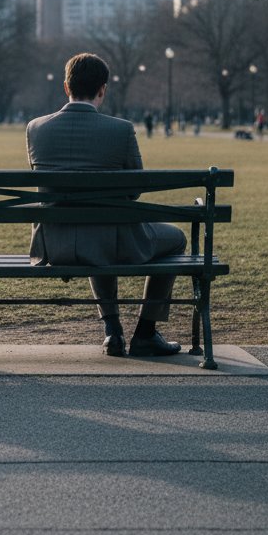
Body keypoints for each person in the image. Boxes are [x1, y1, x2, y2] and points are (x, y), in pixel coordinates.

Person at [26, 53, 187, 359]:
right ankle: (146, 332)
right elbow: (137, 189)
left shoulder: (36, 128)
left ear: (65, 87)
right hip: (112, 239)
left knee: (95, 232)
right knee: (175, 239)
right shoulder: (121, 130)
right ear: (103, 89)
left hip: (54, 243)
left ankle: (113, 331)